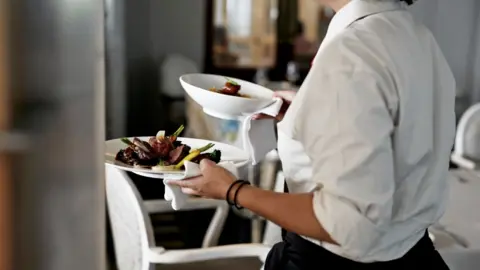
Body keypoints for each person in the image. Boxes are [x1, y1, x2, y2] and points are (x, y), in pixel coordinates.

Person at [169, 0, 455, 268]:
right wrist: (305, 113)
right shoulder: (416, 36)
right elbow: (395, 129)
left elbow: (352, 223)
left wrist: (232, 190)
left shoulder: (352, 51)